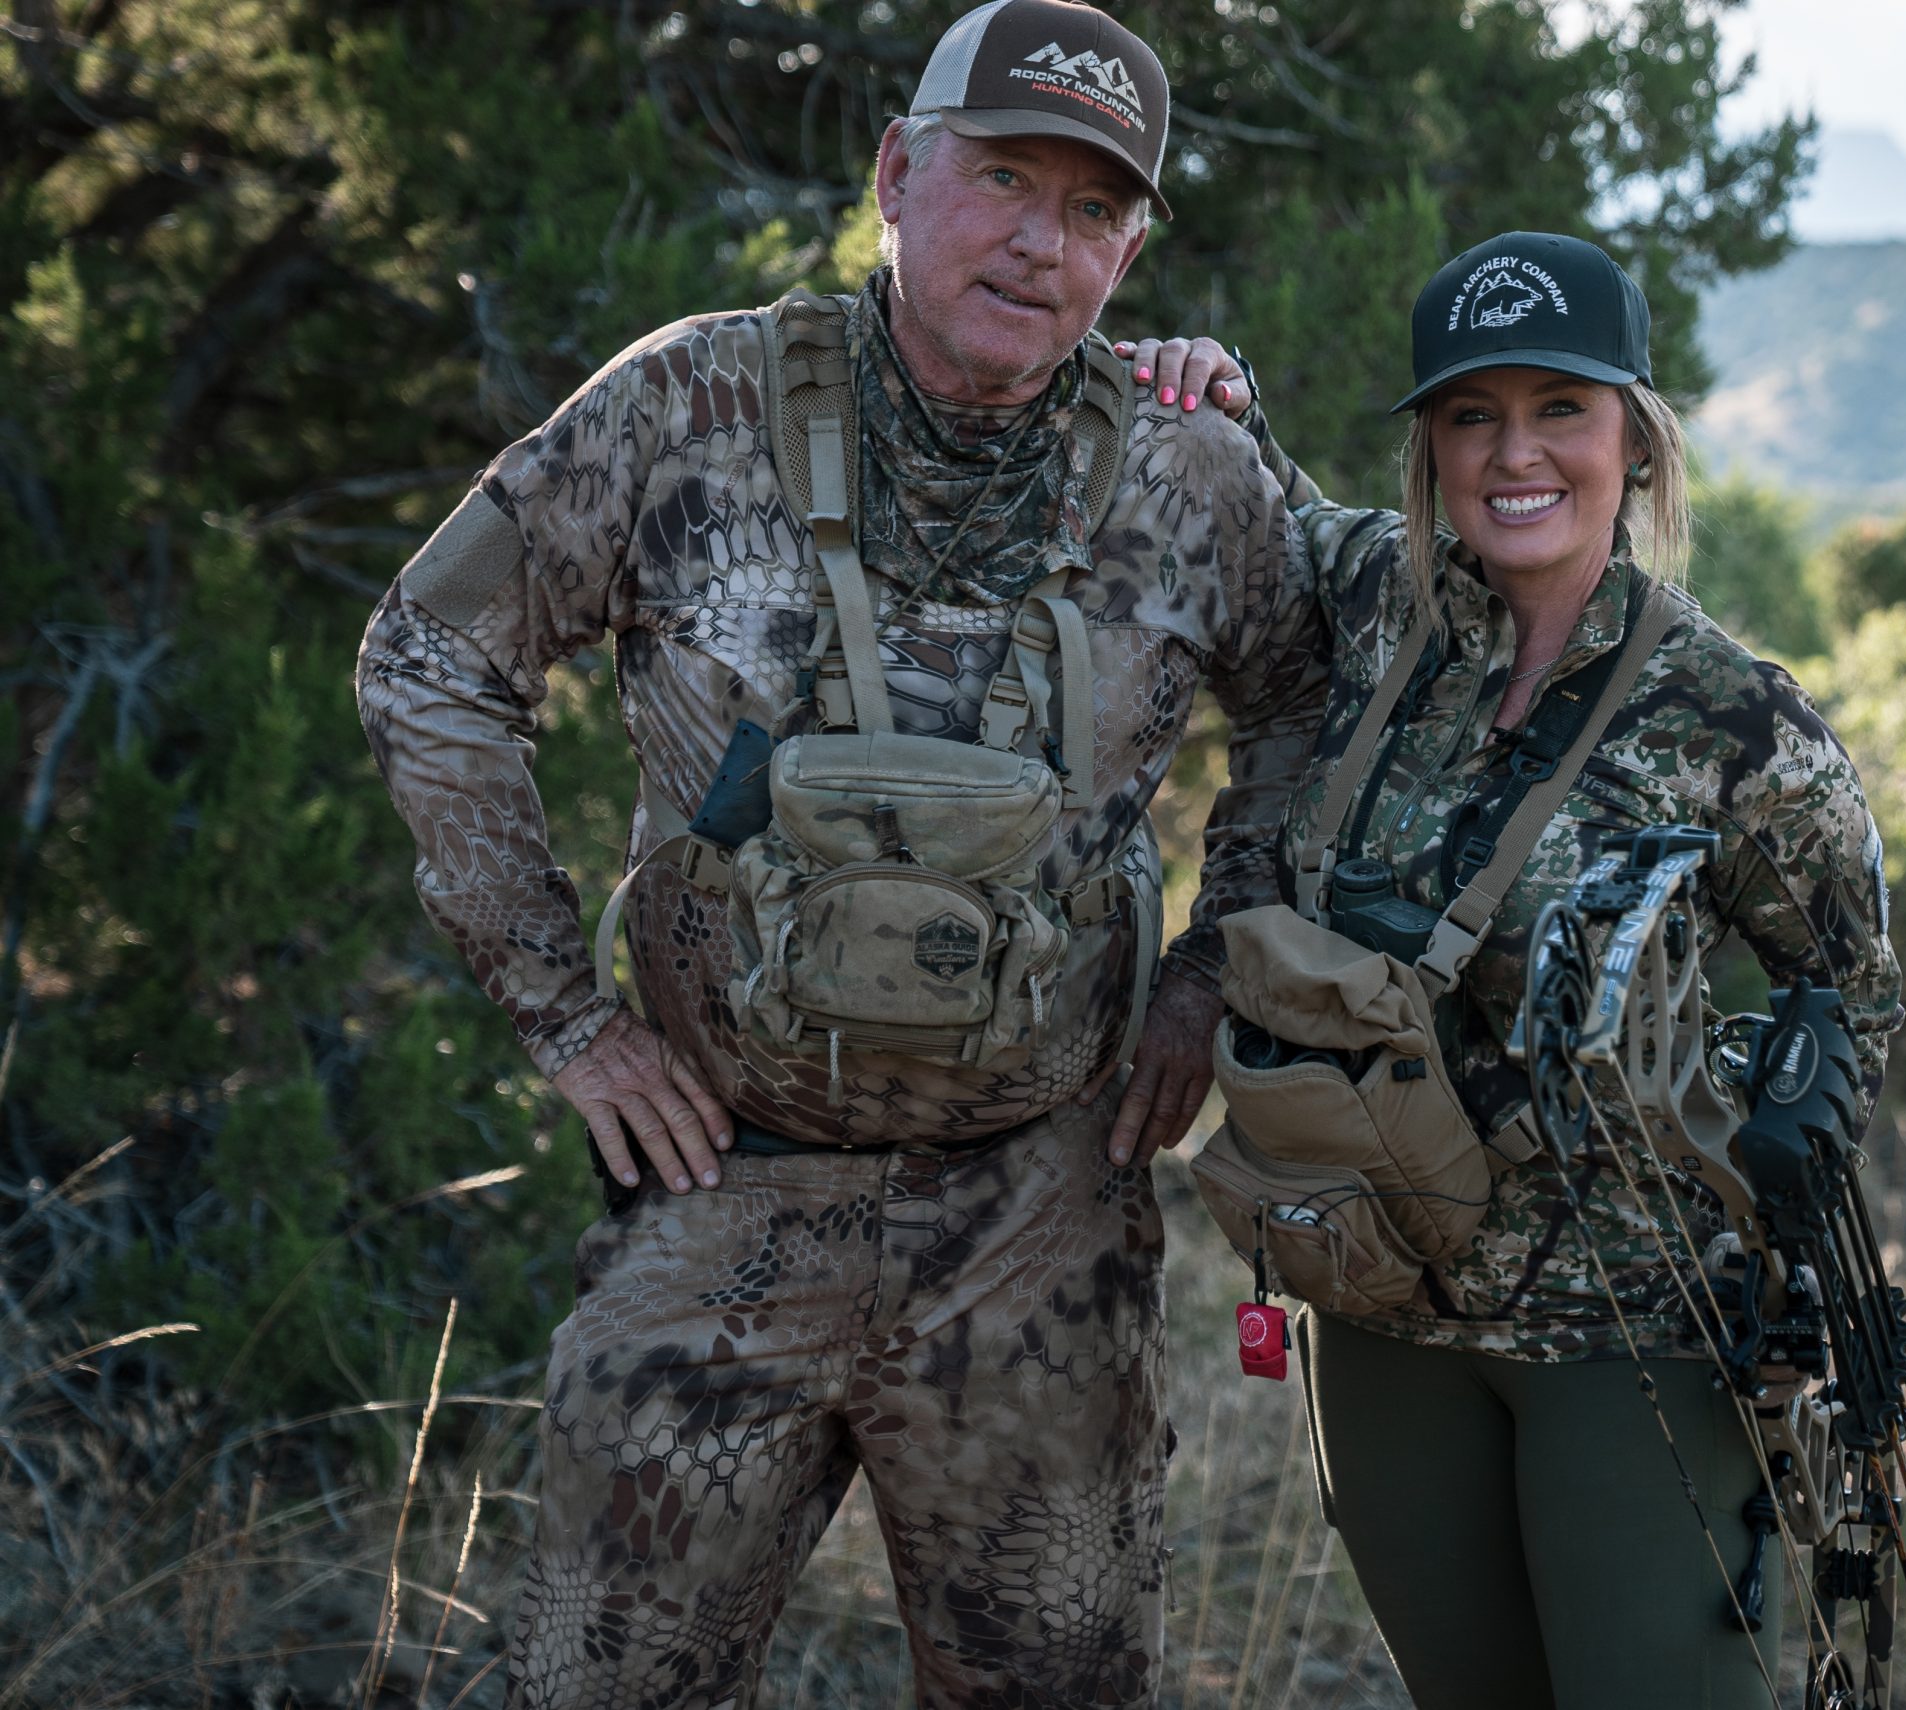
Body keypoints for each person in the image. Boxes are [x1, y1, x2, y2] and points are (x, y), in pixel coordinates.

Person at [352, 2, 1328, 1703]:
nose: (1037, 241)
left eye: (1092, 210)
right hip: (723, 1197)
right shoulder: (685, 406)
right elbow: (431, 656)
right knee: (603, 1685)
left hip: (1043, 1224)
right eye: (1001, 178)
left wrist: (1203, 975)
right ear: (896, 170)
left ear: (1133, 249)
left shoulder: (1190, 473)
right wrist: (561, 1014)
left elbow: (1313, 712)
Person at [1125, 232, 1905, 1708]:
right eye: (1472, 414)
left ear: (1638, 438)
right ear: (1430, 446)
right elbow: (1262, 498)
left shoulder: (1736, 719)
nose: (1516, 451)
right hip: (1380, 1314)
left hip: (1634, 1340)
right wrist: (1214, 389)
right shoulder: (1368, 603)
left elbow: (1849, 991)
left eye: (1562, 406)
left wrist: (1786, 1131)